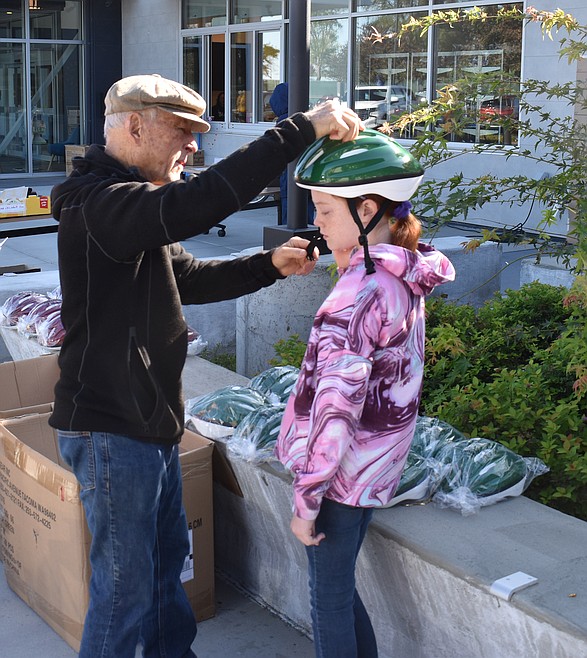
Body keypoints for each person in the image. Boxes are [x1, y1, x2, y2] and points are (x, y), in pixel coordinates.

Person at [49, 73, 363, 658]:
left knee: (164, 572)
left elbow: (186, 279)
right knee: (125, 593)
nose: (193, 147)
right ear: (135, 126)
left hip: (148, 421)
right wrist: (299, 130)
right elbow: (201, 202)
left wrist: (267, 264)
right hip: (111, 426)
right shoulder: (102, 204)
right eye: (182, 131)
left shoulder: (131, 204)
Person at [275, 129, 456, 658]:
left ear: (367, 210)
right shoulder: (402, 274)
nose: (316, 222)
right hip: (373, 469)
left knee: (327, 600)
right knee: (338, 592)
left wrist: (307, 500)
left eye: (325, 210)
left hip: (337, 478)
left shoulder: (358, 294)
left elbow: (336, 411)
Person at [269, 82, 315, 225]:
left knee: (290, 219)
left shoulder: (282, 125)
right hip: (309, 176)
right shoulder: (307, 120)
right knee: (308, 216)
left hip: (290, 180)